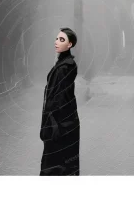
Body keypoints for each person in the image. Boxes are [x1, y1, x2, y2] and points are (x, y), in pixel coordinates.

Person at [39, 27, 80, 176]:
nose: (57, 42)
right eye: (57, 38)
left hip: (60, 125)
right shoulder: (63, 64)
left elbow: (60, 99)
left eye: (62, 40)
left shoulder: (65, 67)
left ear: (70, 44)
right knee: (61, 165)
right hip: (61, 124)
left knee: (56, 166)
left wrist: (52, 125)